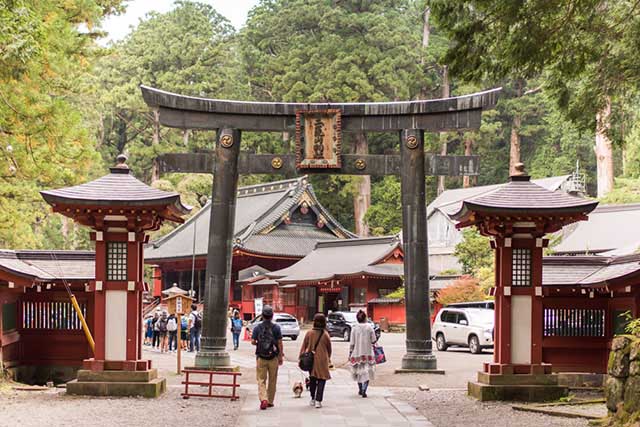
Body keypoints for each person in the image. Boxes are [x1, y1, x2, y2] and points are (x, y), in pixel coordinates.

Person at [251, 305, 283, 410]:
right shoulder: (276, 328)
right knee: (272, 380)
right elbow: (279, 343)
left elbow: (253, 341)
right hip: (273, 357)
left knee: (261, 379)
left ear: (262, 316)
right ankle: (270, 401)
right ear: (272, 316)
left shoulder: (257, 328)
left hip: (261, 356)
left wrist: (260, 343)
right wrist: (280, 356)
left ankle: (263, 398)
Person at [299, 313, 332, 409]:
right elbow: (329, 348)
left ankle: (313, 398)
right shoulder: (325, 334)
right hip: (322, 360)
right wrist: (328, 358)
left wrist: (301, 357)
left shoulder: (309, 333)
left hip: (311, 359)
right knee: (322, 379)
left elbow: (304, 346)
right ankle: (318, 400)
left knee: (312, 378)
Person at [349, 310, 377, 398]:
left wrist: (350, 353)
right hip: (368, 353)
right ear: (365, 318)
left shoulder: (354, 328)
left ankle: (360, 389)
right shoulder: (369, 327)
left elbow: (352, 342)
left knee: (358, 372)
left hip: (357, 353)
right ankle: (365, 389)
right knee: (367, 372)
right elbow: (374, 340)